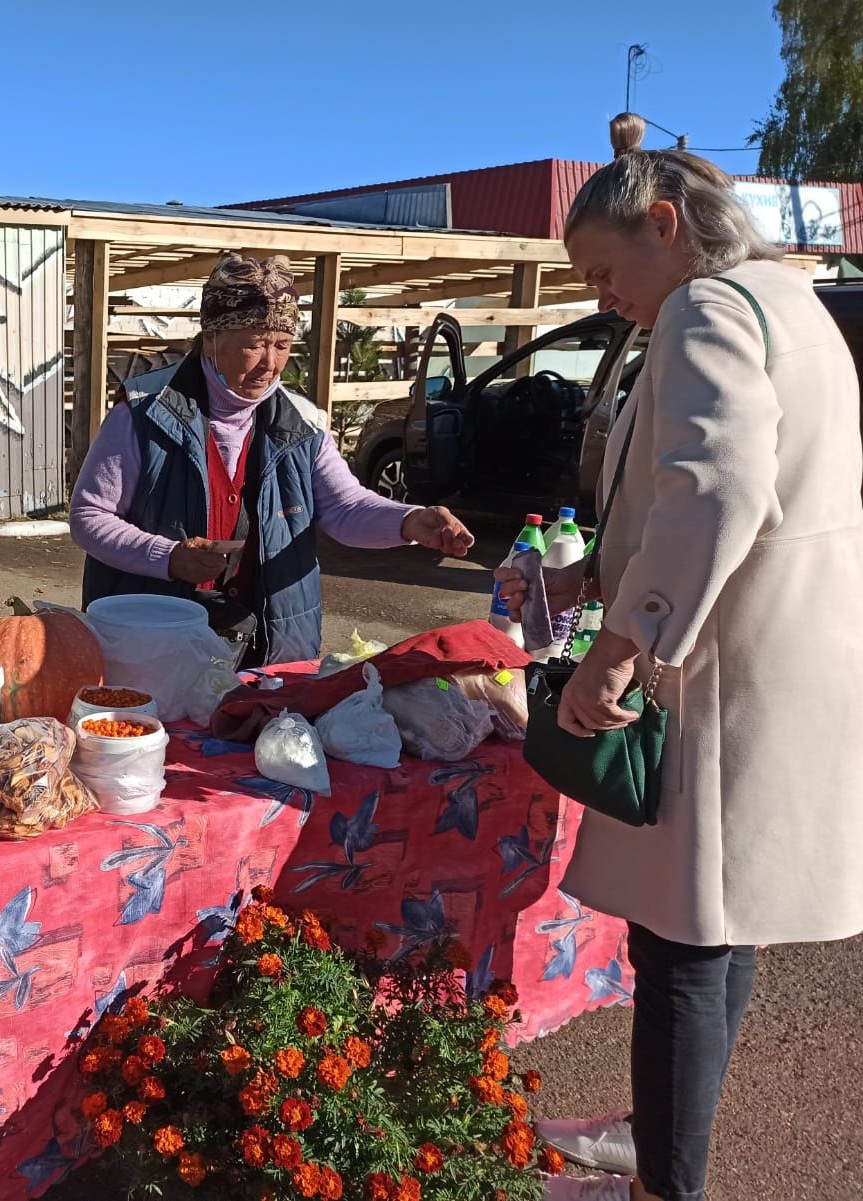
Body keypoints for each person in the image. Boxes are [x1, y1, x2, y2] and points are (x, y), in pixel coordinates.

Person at [496, 114, 863, 1201]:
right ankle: (659, 1143)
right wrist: (603, 576)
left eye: (605, 269)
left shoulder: (706, 307)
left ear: (665, 224)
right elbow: (732, 493)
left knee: (681, 945)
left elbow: (716, 493)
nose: (600, 294)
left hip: (720, 670)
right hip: (779, 655)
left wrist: (620, 642)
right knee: (720, 922)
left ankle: (664, 1182)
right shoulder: (787, 298)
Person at [70, 253, 473, 667]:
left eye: (282, 345)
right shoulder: (143, 412)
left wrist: (408, 521)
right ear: (211, 338)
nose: (270, 364)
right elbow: (89, 515)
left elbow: (346, 508)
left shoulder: (302, 424)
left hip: (265, 650)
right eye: (254, 344)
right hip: (152, 644)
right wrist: (169, 556)